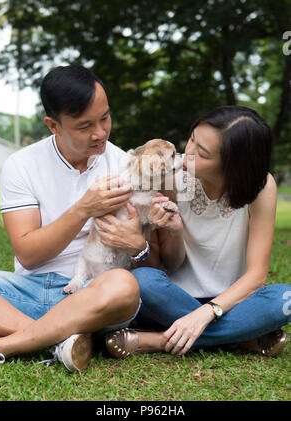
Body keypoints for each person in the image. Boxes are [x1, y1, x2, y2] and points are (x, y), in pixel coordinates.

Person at [0, 65, 157, 371]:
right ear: (53, 125)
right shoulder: (22, 165)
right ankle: (62, 340)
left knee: (125, 286)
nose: (100, 133)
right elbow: (28, 255)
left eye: (105, 118)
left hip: (96, 296)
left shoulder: (126, 165)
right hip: (29, 291)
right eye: (84, 126)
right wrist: (83, 209)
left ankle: (8, 343)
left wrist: (138, 244)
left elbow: (155, 265)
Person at [104, 105, 291, 358]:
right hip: (172, 298)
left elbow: (257, 276)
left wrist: (206, 313)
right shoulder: (172, 178)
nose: (187, 153)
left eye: (201, 153)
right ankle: (241, 338)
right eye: (191, 139)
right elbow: (170, 265)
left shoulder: (261, 188)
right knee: (142, 281)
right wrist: (175, 231)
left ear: (233, 166)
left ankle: (159, 340)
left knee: (285, 299)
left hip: (231, 303)